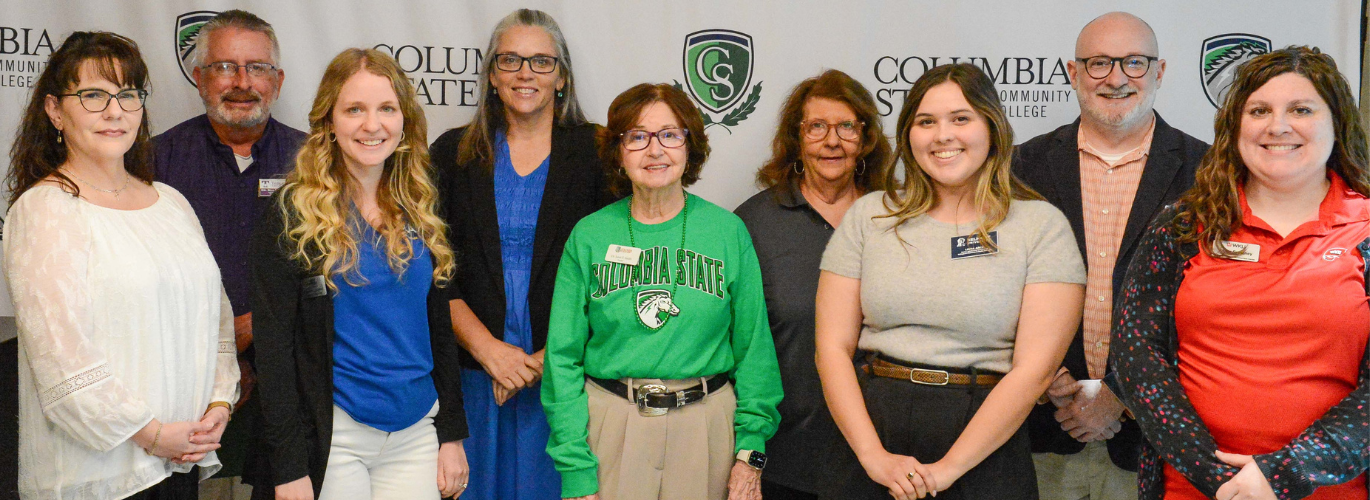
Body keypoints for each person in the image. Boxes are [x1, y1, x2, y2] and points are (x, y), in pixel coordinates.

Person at [815, 63, 1086, 500]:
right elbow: (831, 347)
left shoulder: (1041, 226)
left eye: (961, 118)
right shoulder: (869, 216)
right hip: (871, 435)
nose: (943, 135)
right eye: (926, 122)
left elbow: (1034, 372)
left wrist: (947, 470)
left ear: (992, 128)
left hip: (984, 443)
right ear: (908, 135)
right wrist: (872, 456)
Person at [1112, 46, 1369, 500]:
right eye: (1260, 110)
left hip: (1329, 490)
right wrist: (1217, 477)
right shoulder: (1185, 224)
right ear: (1235, 126)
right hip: (1196, 488)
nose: (1278, 126)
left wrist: (1282, 474)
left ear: (1337, 123)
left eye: (1302, 109)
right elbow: (1137, 357)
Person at [4, 31, 239, 499]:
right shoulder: (46, 209)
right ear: (55, 110)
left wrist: (219, 403)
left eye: (127, 95)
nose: (115, 111)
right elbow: (63, 361)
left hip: (180, 460)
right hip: (97, 478)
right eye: (93, 95)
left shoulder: (171, 202)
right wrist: (149, 433)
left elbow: (217, 323)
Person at [541, 83, 783, 500]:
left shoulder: (727, 231)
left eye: (670, 135)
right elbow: (561, 359)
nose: (655, 150)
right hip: (612, 426)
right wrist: (575, 466)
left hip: (706, 428)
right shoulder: (590, 235)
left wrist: (751, 449)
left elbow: (754, 348)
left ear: (691, 146)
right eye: (637, 136)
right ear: (619, 151)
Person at [249, 48, 468, 500]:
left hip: (415, 431)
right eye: (355, 110)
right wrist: (288, 468)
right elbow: (273, 352)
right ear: (329, 121)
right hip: (336, 435)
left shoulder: (421, 205)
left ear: (404, 119)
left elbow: (438, 330)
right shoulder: (293, 213)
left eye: (387, 108)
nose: (373, 125)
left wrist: (450, 434)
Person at [1011, 12, 1210, 500]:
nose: (1117, 78)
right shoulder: (1022, 167)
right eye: (1099, 63)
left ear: (1159, 73)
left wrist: (1123, 396)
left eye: (1134, 63)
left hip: (1157, 442)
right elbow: (993, 283)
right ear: (1072, 73)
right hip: (1038, 430)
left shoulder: (1209, 174)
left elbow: (1213, 308)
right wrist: (1040, 372)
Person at [430, 9, 609, 499]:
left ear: (562, 77)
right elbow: (431, 270)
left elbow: (616, 272)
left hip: (565, 375)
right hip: (472, 377)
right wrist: (490, 352)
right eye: (510, 60)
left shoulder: (598, 154)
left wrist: (542, 362)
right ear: (491, 75)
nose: (525, 73)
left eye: (541, 62)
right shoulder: (452, 154)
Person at [152, 10, 305, 498]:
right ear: (199, 78)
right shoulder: (154, 163)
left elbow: (334, 271)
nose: (242, 83)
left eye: (257, 68)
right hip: (180, 394)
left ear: (277, 81)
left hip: (291, 390)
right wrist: (217, 352)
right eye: (224, 67)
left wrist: (251, 328)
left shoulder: (315, 164)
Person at [733, 68, 890, 500]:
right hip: (787, 459)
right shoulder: (752, 224)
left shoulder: (898, 217)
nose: (832, 141)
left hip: (888, 452)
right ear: (796, 138)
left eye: (846, 127)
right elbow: (739, 349)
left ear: (866, 138)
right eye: (817, 127)